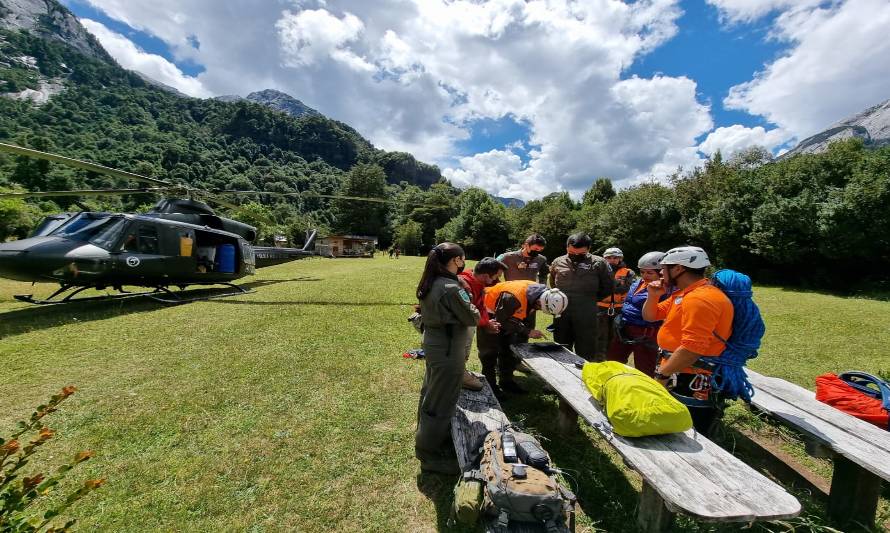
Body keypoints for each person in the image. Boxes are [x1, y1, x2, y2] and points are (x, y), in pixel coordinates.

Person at [641, 246, 733, 436]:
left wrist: (662, 376)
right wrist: (653, 296)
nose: (660, 272)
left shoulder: (700, 299)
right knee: (674, 424)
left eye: (664, 268)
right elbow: (650, 316)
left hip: (691, 374)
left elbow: (692, 348)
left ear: (678, 269)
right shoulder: (685, 294)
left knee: (689, 431)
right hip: (679, 369)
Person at [414, 242, 480, 474]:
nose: (464, 263)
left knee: (431, 392)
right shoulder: (452, 287)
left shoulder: (431, 281)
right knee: (442, 400)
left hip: (434, 342)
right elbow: (472, 316)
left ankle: (426, 437)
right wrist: (472, 303)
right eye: (462, 259)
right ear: (455, 261)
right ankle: (429, 454)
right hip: (448, 348)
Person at [479, 280, 568, 396]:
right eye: (540, 308)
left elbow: (516, 317)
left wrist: (524, 330)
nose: (539, 310)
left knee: (508, 351)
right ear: (540, 302)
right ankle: (490, 389)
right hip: (488, 315)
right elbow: (502, 321)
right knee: (489, 354)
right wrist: (527, 331)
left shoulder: (538, 293)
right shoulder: (513, 297)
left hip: (506, 314)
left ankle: (506, 382)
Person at [548, 233, 613, 361]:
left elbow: (608, 287)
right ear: (567, 247)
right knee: (561, 344)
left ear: (588, 249)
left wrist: (589, 300)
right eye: (572, 253)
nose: (576, 256)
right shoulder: (558, 262)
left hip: (587, 312)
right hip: (562, 311)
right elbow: (552, 282)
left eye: (580, 254)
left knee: (586, 347)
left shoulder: (599, 263)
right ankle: (562, 374)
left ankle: (582, 376)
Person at [606, 251, 671, 377]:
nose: (645, 275)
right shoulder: (638, 283)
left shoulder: (665, 290)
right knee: (613, 360)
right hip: (625, 327)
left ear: (661, 272)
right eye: (642, 272)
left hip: (646, 332)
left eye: (649, 272)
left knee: (645, 367)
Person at [457, 257, 508, 391]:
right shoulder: (464, 285)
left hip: (469, 324)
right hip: (460, 327)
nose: (497, 281)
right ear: (486, 275)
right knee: (460, 350)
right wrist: (486, 323)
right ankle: (458, 375)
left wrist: (486, 322)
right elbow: (468, 313)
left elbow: (480, 306)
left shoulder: (478, 283)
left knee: (465, 350)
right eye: (496, 277)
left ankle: (460, 372)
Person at [595, 247, 636, 357]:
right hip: (600, 307)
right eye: (608, 257)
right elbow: (596, 288)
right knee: (599, 335)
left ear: (620, 258)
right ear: (604, 259)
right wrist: (616, 285)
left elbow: (627, 288)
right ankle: (599, 358)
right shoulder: (598, 271)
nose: (612, 260)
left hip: (619, 308)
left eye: (615, 257)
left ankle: (611, 358)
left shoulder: (628, 273)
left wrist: (608, 287)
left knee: (616, 335)